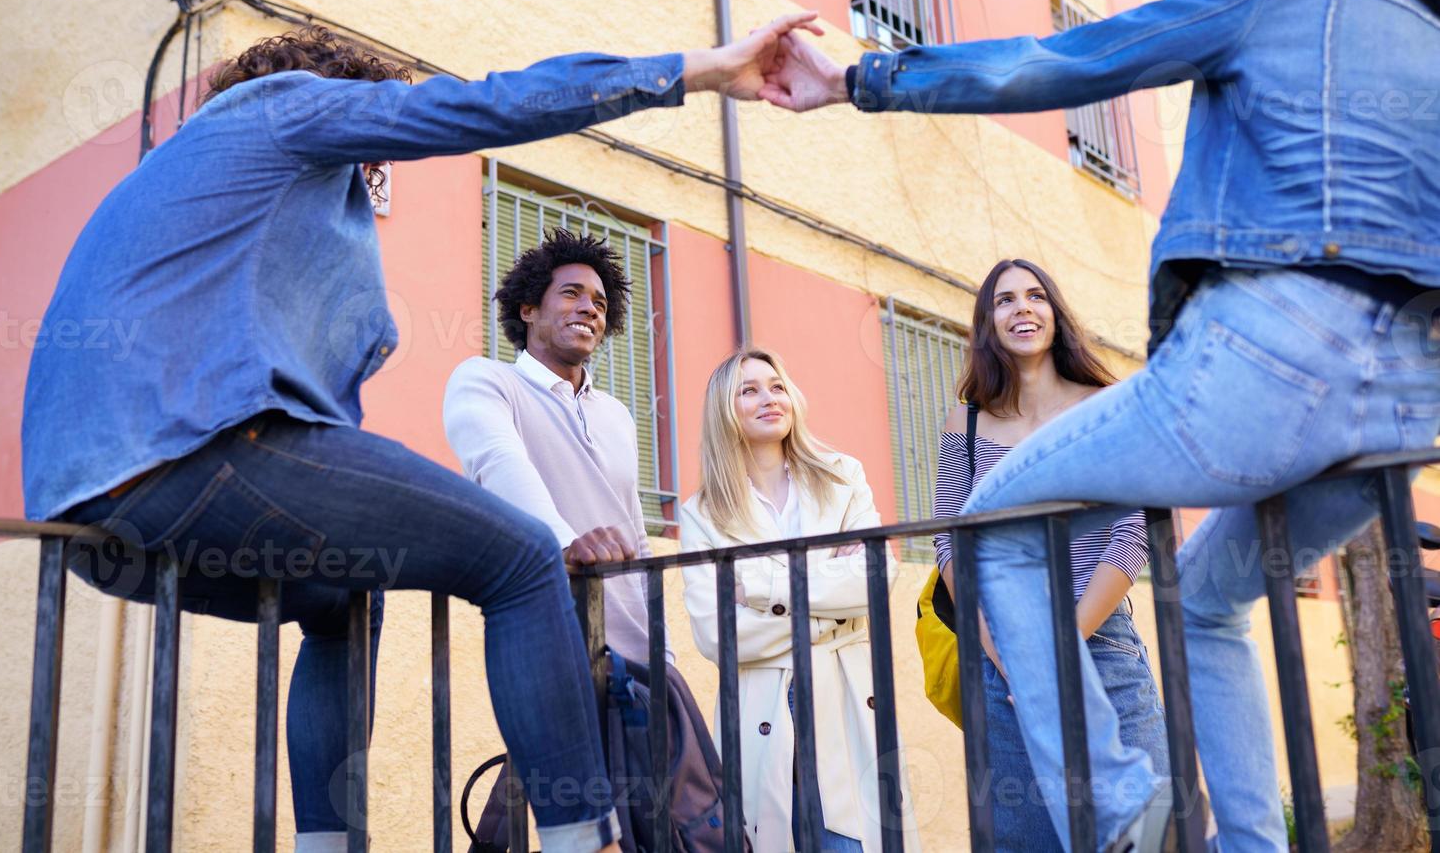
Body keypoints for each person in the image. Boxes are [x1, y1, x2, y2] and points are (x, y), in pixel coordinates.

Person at [22, 14, 823, 853]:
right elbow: (487, 105)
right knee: (518, 556)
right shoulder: (287, 106)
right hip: (188, 451)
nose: (372, 167)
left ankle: (326, 846)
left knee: (341, 598)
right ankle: (586, 839)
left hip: (92, 515)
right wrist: (697, 70)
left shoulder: (194, 178)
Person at [759, 0, 1440, 848]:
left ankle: (1121, 803)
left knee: (993, 524)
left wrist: (860, 79)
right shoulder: (1426, 24)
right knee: (1207, 597)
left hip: (1268, 365)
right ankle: (1253, 840)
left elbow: (1067, 56)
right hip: (1404, 404)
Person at [932, 259, 1169, 850]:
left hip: (1101, 643)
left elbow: (1133, 531)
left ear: (1055, 314)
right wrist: (1003, 651)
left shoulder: (1105, 405)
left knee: (1154, 824)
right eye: (1005, 300)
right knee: (1026, 840)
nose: (1022, 309)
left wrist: (1056, 647)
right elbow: (949, 541)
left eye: (1035, 296)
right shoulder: (965, 420)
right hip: (999, 655)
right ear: (988, 322)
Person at [678, 348, 918, 853]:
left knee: (850, 842)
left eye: (777, 385)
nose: (770, 397)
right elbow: (717, 634)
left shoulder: (841, 476)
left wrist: (763, 588)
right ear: (725, 410)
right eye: (750, 390)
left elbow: (874, 579)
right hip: (759, 708)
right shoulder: (701, 513)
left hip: (846, 700)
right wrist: (834, 613)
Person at [441, 227, 668, 662]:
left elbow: (636, 534)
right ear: (528, 309)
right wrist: (564, 544)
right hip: (541, 635)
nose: (589, 308)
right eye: (571, 294)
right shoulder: (488, 380)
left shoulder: (617, 415)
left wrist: (663, 651)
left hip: (637, 656)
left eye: (600, 303)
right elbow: (499, 462)